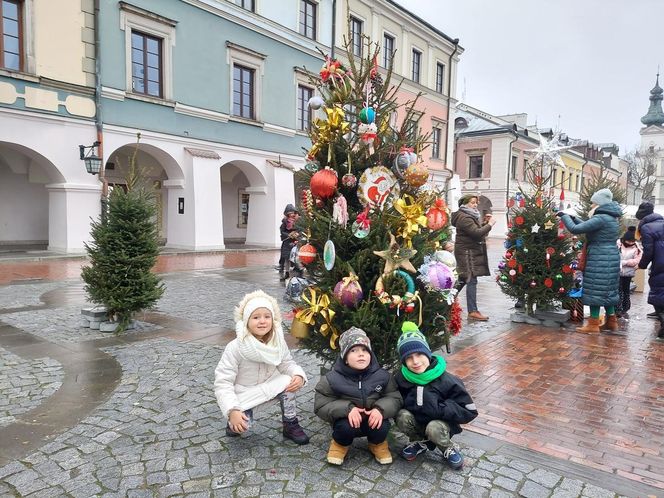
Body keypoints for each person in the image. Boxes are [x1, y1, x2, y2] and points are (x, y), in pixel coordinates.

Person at [214, 290, 310, 444]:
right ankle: (236, 420)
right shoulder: (236, 347)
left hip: (269, 387)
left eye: (267, 316)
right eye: (256, 317)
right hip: (244, 396)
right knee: (240, 427)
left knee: (288, 380)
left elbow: (287, 364)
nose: (262, 321)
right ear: (246, 321)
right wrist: (232, 410)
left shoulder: (278, 343)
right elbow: (223, 382)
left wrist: (298, 375)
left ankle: (290, 424)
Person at [394, 322, 478, 470]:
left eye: (419, 354)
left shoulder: (447, 380)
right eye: (409, 357)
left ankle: (447, 448)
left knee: (434, 428)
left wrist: (440, 408)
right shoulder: (401, 378)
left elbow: (469, 411)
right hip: (418, 421)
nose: (415, 361)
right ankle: (420, 441)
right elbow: (395, 399)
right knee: (402, 415)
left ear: (427, 353)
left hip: (440, 424)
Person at [314, 327, 402, 466]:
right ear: (345, 358)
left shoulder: (383, 376)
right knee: (344, 428)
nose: (360, 354)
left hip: (372, 418)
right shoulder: (331, 378)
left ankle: (376, 444)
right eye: (353, 351)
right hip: (347, 420)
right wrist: (348, 409)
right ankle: (340, 444)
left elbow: (394, 397)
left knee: (383, 425)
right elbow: (321, 404)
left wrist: (380, 409)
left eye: (364, 350)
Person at [558, 188, 622, 333]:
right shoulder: (610, 218)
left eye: (593, 204)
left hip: (599, 257)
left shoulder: (600, 218)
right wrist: (573, 217)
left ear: (600, 204)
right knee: (608, 291)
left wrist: (563, 216)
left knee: (595, 291)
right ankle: (611, 322)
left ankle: (593, 325)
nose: (591, 206)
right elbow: (588, 226)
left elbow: (575, 229)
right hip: (610, 256)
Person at [451, 194, 496, 321]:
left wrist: (485, 223)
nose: (475, 205)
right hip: (466, 253)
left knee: (463, 279)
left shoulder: (469, 216)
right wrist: (490, 224)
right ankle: (472, 311)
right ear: (464, 204)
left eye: (476, 202)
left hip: (468, 251)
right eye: (472, 202)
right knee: (470, 279)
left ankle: (445, 301)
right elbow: (477, 234)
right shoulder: (464, 217)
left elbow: (479, 233)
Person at [635, 201, 664, 338]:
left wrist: (641, 265)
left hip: (660, 265)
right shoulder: (662, 223)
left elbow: (649, 251)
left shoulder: (647, 228)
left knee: (658, 293)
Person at [616, 226, 641, 318]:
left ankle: (625, 307)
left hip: (628, 272)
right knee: (618, 290)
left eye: (632, 241)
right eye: (629, 241)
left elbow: (637, 259)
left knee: (626, 290)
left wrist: (625, 262)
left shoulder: (637, 247)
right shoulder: (618, 244)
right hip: (617, 271)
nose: (630, 243)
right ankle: (617, 308)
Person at [278, 204, 299, 281]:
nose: (291, 214)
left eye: (292, 212)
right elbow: (282, 231)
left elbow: (300, 229)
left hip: (295, 241)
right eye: (289, 213)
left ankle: (296, 273)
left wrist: (297, 234)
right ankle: (286, 273)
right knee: (287, 258)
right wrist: (289, 234)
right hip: (287, 241)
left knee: (295, 258)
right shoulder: (284, 222)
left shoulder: (297, 220)